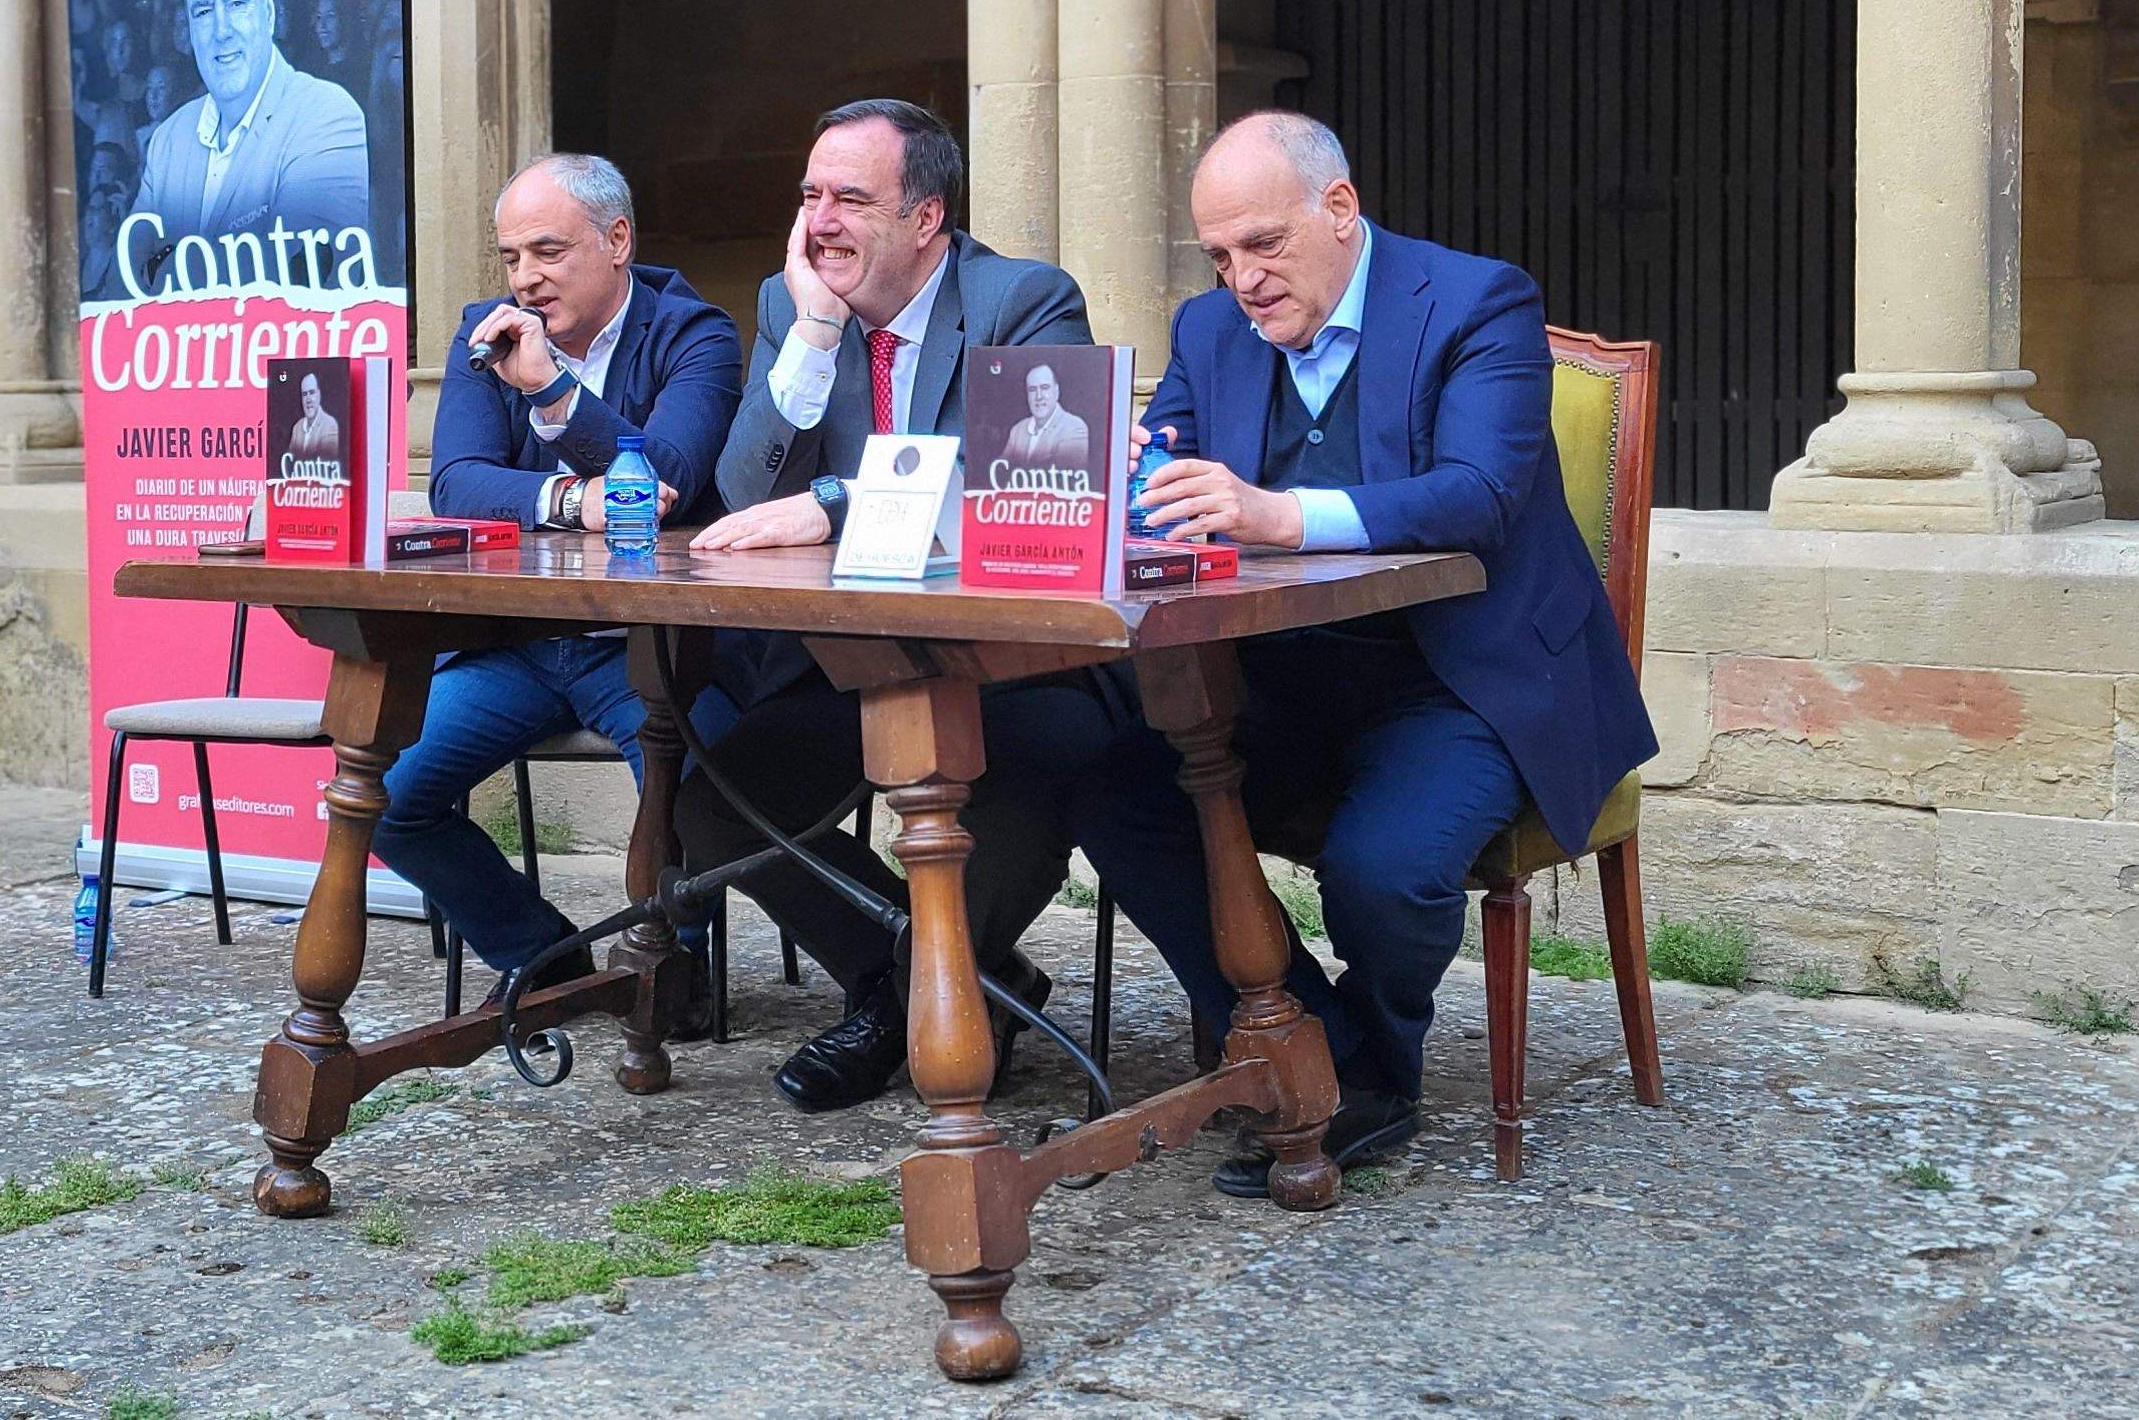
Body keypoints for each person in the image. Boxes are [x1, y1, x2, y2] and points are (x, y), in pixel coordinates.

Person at [1082, 111, 1655, 1193]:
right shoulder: (1209, 332)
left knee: (1380, 870)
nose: (1241, 280)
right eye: (1219, 255)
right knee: (1120, 796)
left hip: (1463, 676)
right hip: (1280, 672)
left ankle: (1375, 1077)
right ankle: (1317, 1051)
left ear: (1337, 209)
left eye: (1262, 245)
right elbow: (1177, 483)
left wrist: (1280, 515)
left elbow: (1478, 495)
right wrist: (1126, 490)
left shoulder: (1477, 301)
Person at [681, 99, 1136, 1113]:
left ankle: (900, 1009)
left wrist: (837, 501)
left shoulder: (1023, 300)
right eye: (808, 195)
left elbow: (1020, 462)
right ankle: (953, 987)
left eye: (849, 198)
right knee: (715, 806)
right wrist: (809, 330)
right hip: (851, 665)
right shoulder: (790, 305)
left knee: (1017, 794)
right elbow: (750, 495)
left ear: (925, 217)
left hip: (1016, 667)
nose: (819, 221)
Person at [374, 155, 747, 1006]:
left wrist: (550, 391)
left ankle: (675, 965)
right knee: (388, 796)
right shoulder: (485, 328)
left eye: (547, 251)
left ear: (617, 240)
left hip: (644, 648)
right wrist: (573, 498)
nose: (526, 279)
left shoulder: (695, 333)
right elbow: (456, 480)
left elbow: (667, 478)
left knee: (698, 793)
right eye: (511, 258)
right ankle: (545, 960)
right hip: (522, 642)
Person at [122, 0, 371, 288]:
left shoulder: (328, 114)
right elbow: (124, 282)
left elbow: (299, 281)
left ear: (268, 10)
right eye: (203, 11)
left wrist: (166, 266)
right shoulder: (168, 140)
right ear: (189, 26)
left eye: (237, 3)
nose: (222, 30)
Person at [995, 361, 1095, 482]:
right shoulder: (1018, 430)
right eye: (1032, 390)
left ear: (1056, 391)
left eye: (1045, 388)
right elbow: (998, 474)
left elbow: (1061, 481)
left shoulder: (1074, 427)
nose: (1039, 396)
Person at [284, 372, 342, 471]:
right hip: (296, 485)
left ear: (319, 395)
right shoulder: (297, 427)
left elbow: (326, 466)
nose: (308, 399)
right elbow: (288, 464)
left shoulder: (329, 425)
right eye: (304, 394)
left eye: (312, 392)